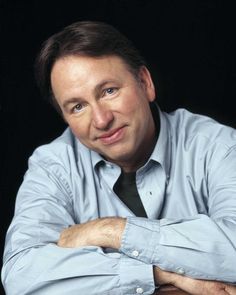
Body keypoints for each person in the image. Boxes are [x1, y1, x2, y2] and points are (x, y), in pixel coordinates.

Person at [1, 20, 236, 295]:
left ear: (145, 83)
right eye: (78, 107)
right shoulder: (53, 166)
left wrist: (111, 231)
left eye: (109, 91)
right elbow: (22, 275)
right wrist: (158, 275)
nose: (101, 120)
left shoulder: (217, 146)